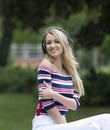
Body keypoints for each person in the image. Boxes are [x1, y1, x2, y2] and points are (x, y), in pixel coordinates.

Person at [32, 26, 110, 130]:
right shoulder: (46, 65)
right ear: (44, 47)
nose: (52, 45)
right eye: (48, 43)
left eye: (56, 42)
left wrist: (54, 94)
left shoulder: (71, 71)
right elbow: (47, 103)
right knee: (93, 127)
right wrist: (64, 125)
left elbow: (75, 105)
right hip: (44, 124)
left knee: (107, 119)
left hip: (61, 123)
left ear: (64, 44)